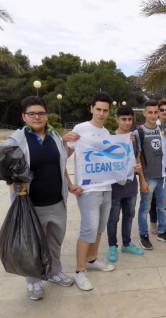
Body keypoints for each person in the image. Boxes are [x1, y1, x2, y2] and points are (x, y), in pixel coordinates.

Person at [4, 96, 82, 300]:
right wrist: (14, 184)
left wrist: (70, 183)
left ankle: (54, 272)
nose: (37, 117)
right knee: (32, 245)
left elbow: (61, 162)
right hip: (30, 205)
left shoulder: (55, 136)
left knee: (55, 241)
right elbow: (3, 169)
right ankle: (34, 282)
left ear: (47, 115)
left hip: (57, 201)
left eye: (41, 113)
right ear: (24, 116)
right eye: (32, 113)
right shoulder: (16, 140)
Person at [64, 92, 116, 291]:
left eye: (105, 110)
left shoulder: (106, 133)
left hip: (106, 187)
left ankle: (92, 259)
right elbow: (63, 155)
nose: (102, 114)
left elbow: (112, 159)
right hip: (87, 189)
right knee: (89, 228)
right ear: (91, 108)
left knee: (100, 227)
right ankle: (79, 271)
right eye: (99, 109)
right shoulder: (80, 129)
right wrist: (69, 183)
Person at [135, 100, 166, 250]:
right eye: (150, 112)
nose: (153, 115)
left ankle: (162, 232)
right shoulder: (138, 132)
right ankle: (143, 235)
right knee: (145, 208)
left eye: (155, 112)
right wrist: (142, 180)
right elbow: (137, 158)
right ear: (144, 113)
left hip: (163, 176)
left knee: (162, 207)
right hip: (148, 177)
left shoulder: (164, 130)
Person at [106, 105, 144, 262]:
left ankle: (126, 243)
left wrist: (139, 171)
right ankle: (112, 246)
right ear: (117, 119)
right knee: (113, 218)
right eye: (124, 119)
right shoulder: (109, 138)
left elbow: (137, 159)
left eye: (129, 119)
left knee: (129, 216)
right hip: (115, 187)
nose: (127, 122)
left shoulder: (134, 138)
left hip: (131, 184)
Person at [149, 99, 166, 234]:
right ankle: (154, 223)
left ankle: (162, 222)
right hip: (154, 167)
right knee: (152, 198)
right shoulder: (152, 126)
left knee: (164, 197)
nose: (164, 112)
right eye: (162, 110)